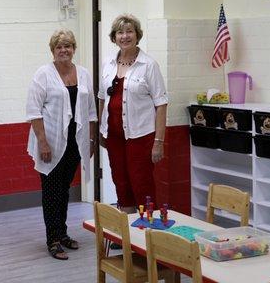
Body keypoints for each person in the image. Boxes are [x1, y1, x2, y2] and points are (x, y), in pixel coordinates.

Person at [26, 29, 97, 260]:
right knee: (51, 191)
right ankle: (53, 239)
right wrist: (43, 143)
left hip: (75, 142)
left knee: (64, 190)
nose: (64, 50)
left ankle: (63, 233)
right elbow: (33, 111)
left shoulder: (84, 74)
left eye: (68, 46)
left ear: (74, 49)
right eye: (59, 47)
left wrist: (92, 139)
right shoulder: (43, 74)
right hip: (52, 142)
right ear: (53, 50)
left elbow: (91, 111)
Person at [98, 14, 167, 214]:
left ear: (137, 35)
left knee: (141, 182)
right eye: (120, 32)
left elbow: (161, 104)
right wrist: (102, 132)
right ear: (114, 37)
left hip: (141, 136)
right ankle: (128, 235)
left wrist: (158, 142)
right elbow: (102, 99)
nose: (125, 36)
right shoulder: (108, 64)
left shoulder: (149, 65)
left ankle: (147, 233)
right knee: (120, 181)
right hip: (114, 136)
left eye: (129, 31)